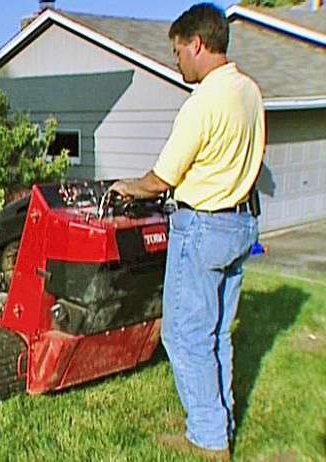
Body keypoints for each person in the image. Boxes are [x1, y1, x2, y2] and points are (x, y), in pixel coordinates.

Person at [110, 3, 264, 460]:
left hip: (202, 226)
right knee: (216, 333)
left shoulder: (204, 103)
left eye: (178, 51)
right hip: (241, 222)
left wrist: (126, 187)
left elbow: (161, 179)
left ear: (197, 43)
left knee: (183, 335)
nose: (177, 61)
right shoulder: (250, 92)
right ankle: (218, 419)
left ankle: (209, 440)